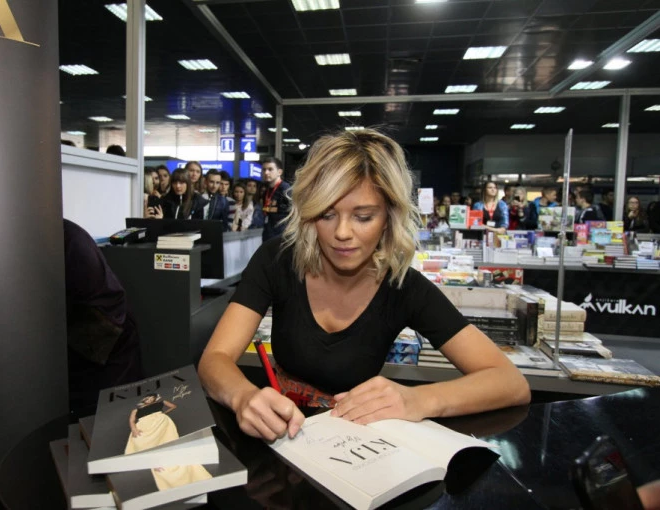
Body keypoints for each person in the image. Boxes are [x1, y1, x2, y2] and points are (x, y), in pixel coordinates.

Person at [197, 129, 530, 442]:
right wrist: (243, 397)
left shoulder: (403, 286)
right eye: (327, 214)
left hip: (357, 449)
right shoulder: (277, 260)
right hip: (281, 441)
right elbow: (215, 358)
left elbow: (510, 383)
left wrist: (418, 400)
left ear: (388, 218)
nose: (342, 233)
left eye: (364, 216)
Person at [64, 219, 144, 414]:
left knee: (108, 417)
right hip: (93, 332)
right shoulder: (68, 235)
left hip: (103, 337)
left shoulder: (67, 238)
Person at [260, 157, 291, 242]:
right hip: (268, 235)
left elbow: (294, 214)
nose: (266, 172)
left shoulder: (286, 190)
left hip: (282, 237)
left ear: (279, 172)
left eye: (270, 169)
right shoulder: (266, 192)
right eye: (264, 169)